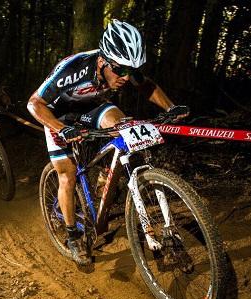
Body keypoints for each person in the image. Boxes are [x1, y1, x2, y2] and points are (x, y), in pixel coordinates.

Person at [27, 20, 189, 265]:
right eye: (121, 70)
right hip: (58, 116)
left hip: (92, 107)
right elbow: (34, 103)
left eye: (130, 71)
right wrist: (62, 129)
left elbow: (146, 85)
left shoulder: (123, 69)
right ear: (103, 61)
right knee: (67, 175)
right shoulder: (74, 68)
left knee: (123, 127)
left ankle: (106, 178)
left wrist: (171, 107)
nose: (126, 77)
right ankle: (73, 235)